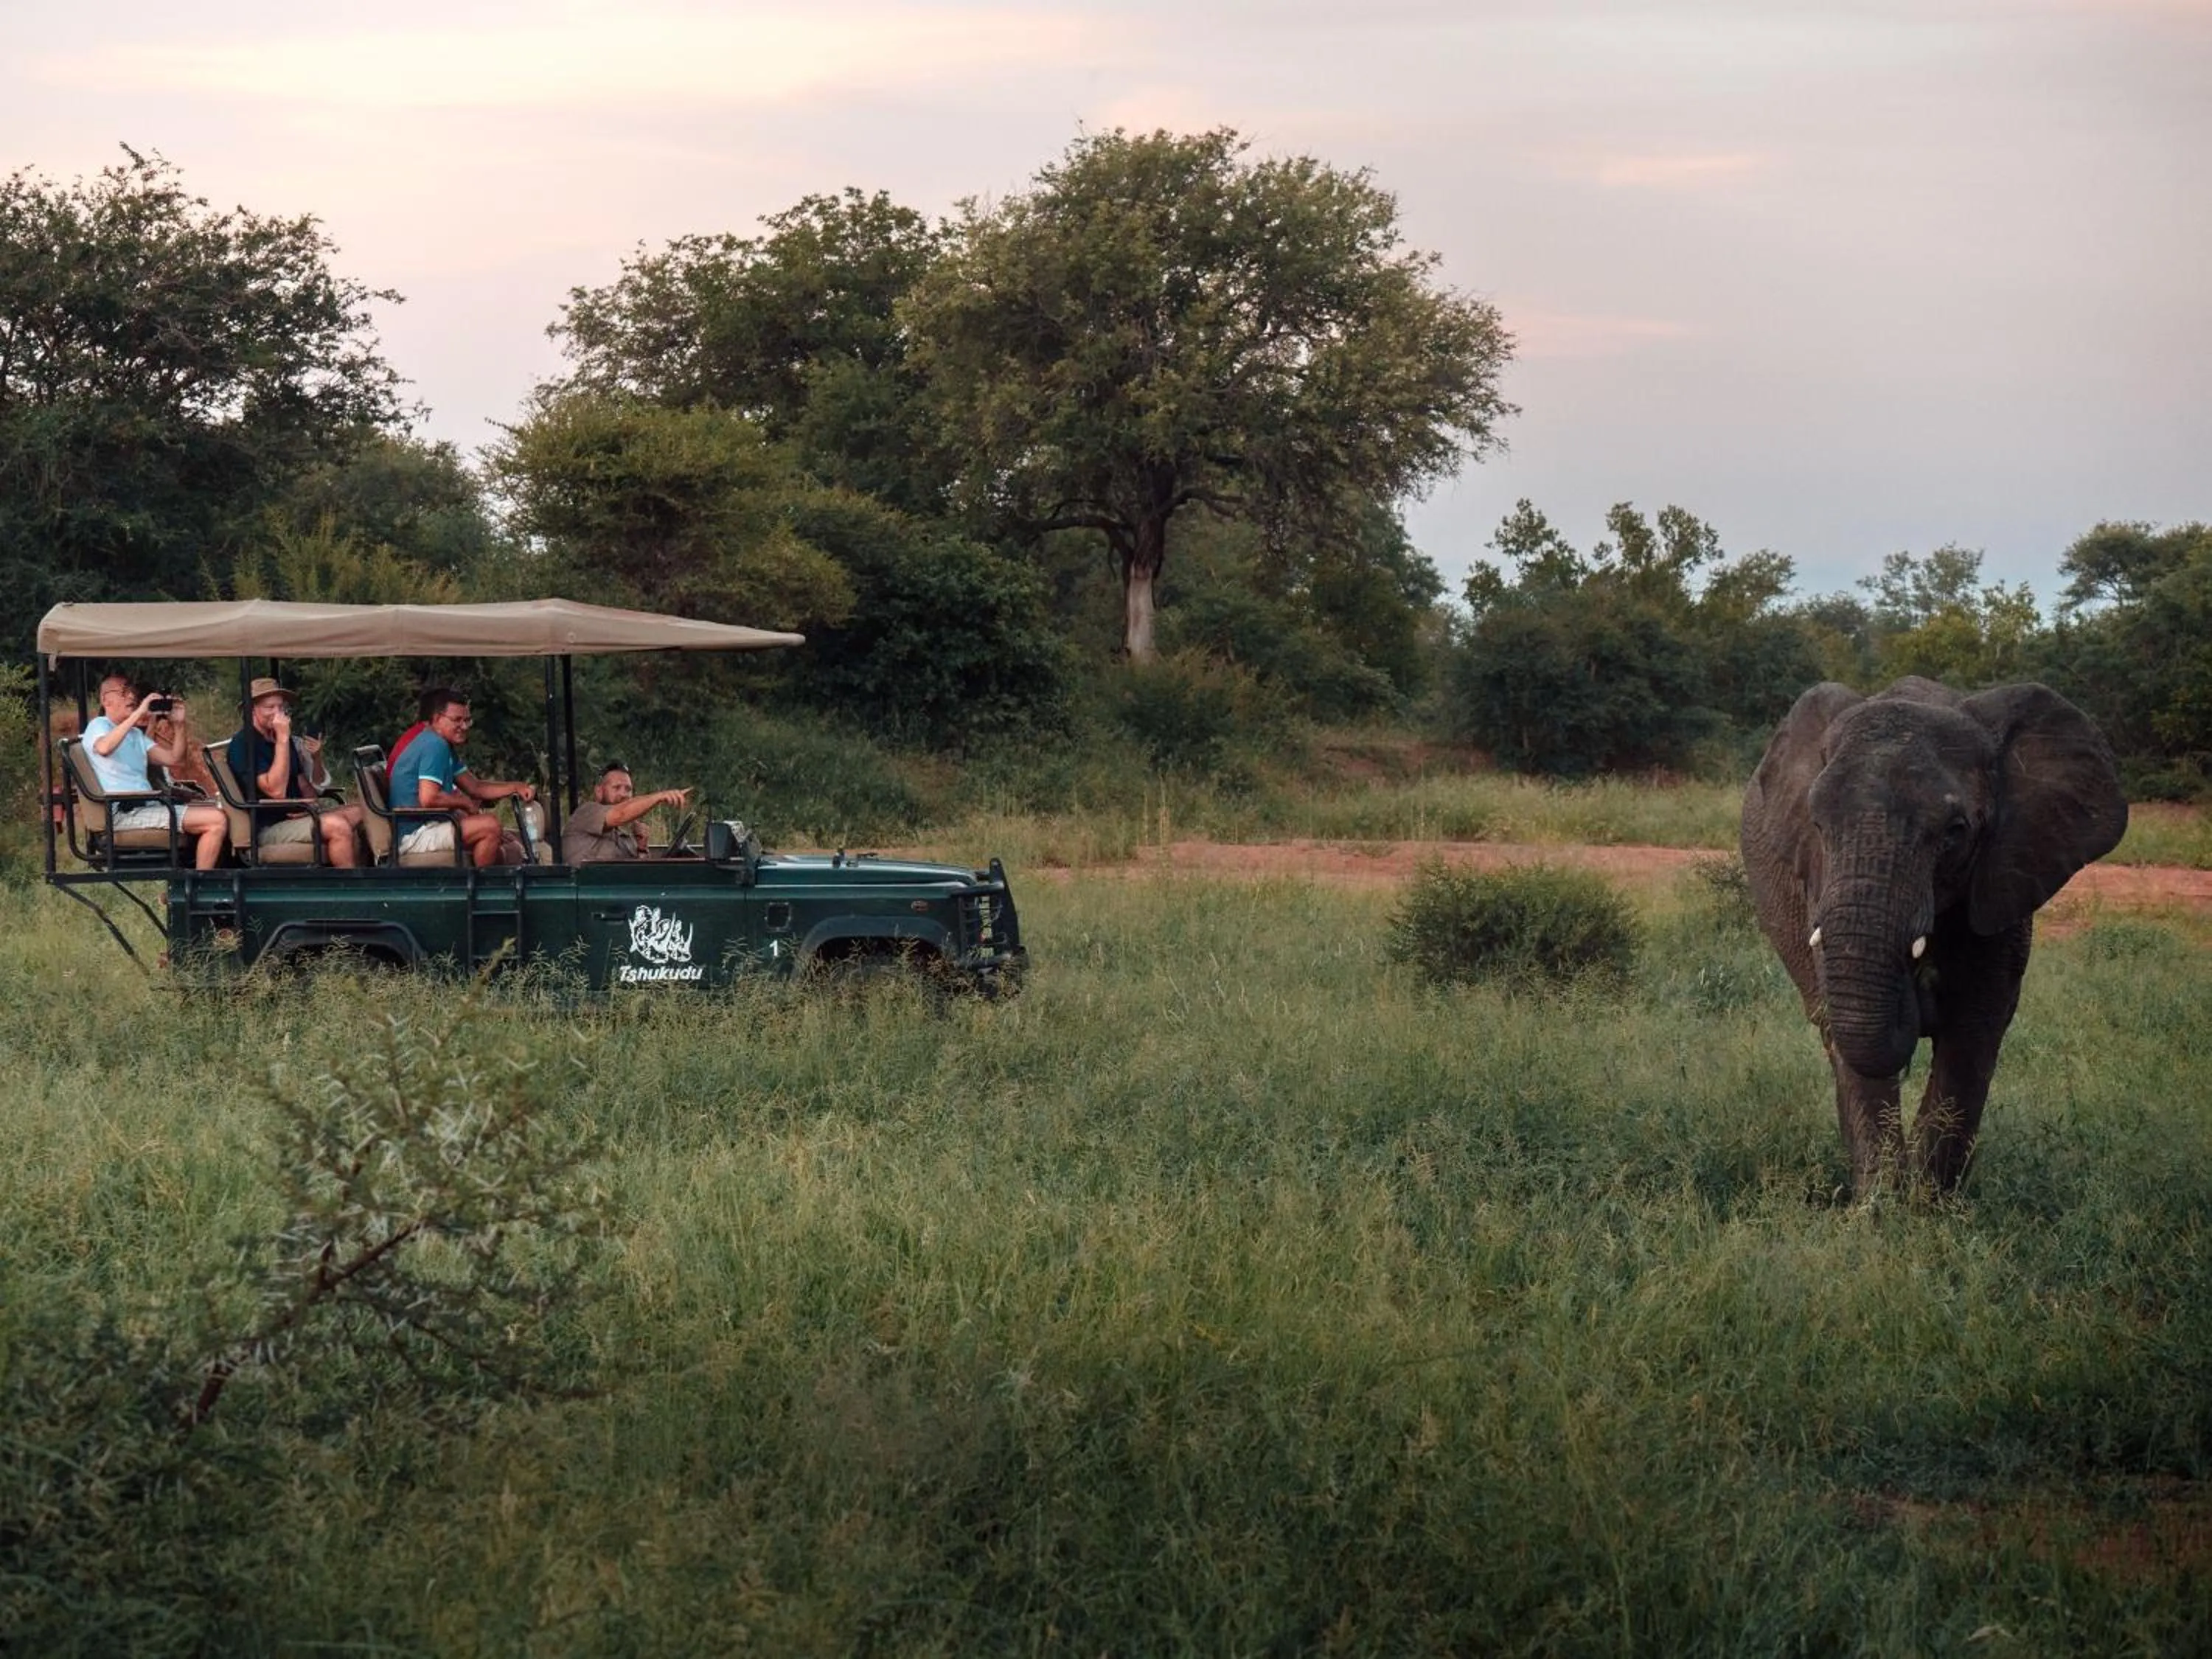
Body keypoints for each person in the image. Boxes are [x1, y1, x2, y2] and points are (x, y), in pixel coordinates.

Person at [81, 675, 227, 869]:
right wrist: (140, 712)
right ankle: (198, 887)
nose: (131, 696)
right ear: (106, 700)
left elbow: (175, 759)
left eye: (132, 691)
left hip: (147, 806)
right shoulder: (99, 725)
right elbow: (104, 747)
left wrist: (179, 725)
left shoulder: (134, 735)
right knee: (216, 821)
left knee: (220, 811)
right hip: (124, 812)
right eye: (123, 692)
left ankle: (194, 883)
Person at [386, 686, 536, 867]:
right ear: (437, 719)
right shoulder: (434, 745)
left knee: (495, 833)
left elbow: (475, 787)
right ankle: (484, 887)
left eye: (467, 720)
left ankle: (500, 871)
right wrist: (464, 803)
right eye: (457, 720)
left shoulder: (442, 745)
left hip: (430, 826)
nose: (464, 726)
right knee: (490, 826)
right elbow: (429, 798)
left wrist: (516, 787)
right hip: (415, 835)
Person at [226, 678, 366, 867]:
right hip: (268, 826)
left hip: (298, 816)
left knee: (363, 812)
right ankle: (351, 890)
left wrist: (309, 806)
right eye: (270, 707)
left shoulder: (280, 738)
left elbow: (302, 783)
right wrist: (283, 740)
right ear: (253, 710)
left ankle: (369, 878)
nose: (278, 713)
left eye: (281, 707)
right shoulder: (244, 744)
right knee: (337, 825)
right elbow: (276, 791)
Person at [561, 760, 690, 863]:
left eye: (628, 789)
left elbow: (637, 875)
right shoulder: (586, 813)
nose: (624, 794)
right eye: (616, 788)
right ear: (599, 792)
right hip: (587, 891)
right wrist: (660, 797)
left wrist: (642, 848)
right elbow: (620, 814)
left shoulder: (625, 837)